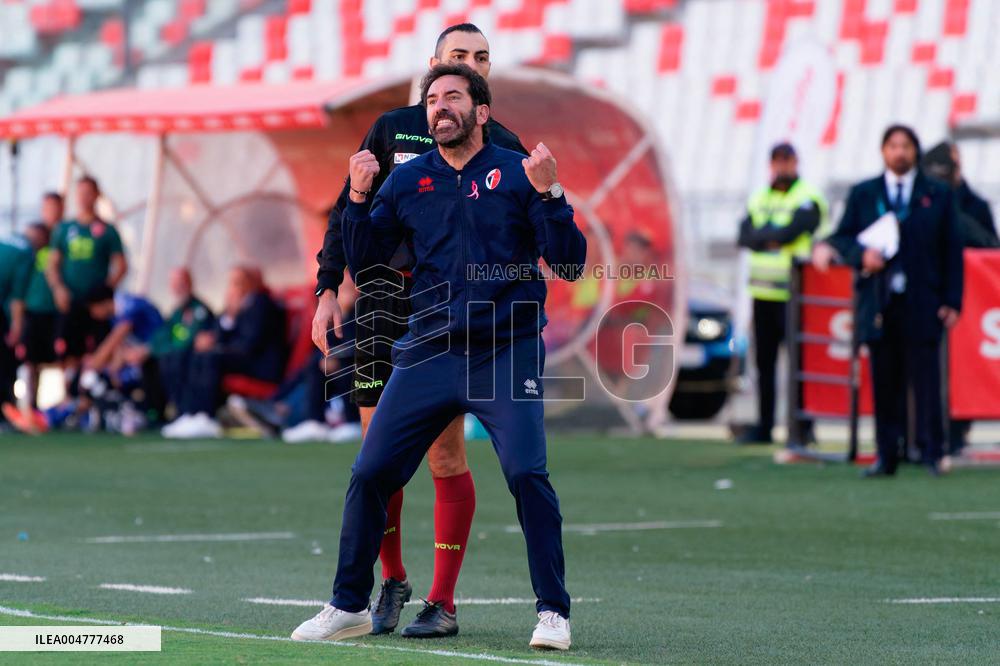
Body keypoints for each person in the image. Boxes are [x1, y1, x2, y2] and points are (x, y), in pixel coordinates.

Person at [291, 64, 585, 650]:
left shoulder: (517, 172)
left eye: (453, 97)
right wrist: (355, 195)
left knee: (527, 473)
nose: (439, 107)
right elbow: (369, 258)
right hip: (427, 349)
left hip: (505, 349)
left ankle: (553, 612)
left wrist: (551, 191)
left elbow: (571, 262)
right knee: (370, 473)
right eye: (431, 99)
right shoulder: (408, 180)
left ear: (481, 112)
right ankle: (348, 604)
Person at [311, 23, 529, 638]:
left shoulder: (502, 143)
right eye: (459, 56)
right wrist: (327, 289)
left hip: (446, 315)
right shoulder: (390, 129)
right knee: (376, 453)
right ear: (433, 65)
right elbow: (345, 206)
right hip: (380, 305)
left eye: (482, 57)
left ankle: (442, 600)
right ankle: (391, 580)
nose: (471, 64)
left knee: (444, 454)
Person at [826, 125, 963, 477]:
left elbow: (951, 250)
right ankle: (887, 454)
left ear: (915, 151)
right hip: (879, 301)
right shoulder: (864, 193)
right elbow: (842, 237)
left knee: (927, 380)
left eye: (905, 146)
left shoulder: (937, 194)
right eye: (893, 146)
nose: (899, 152)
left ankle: (933, 452)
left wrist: (952, 300)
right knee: (884, 381)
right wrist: (861, 255)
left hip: (923, 300)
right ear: (883, 151)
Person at [737, 143, 828, 444]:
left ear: (796, 162)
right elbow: (745, 237)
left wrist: (766, 238)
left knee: (800, 364)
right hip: (763, 295)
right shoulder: (759, 197)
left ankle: (803, 426)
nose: (782, 167)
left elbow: (792, 232)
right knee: (765, 365)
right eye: (777, 161)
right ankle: (765, 425)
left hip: (796, 294)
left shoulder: (808, 197)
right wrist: (772, 238)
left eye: (787, 161)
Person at [161, 266, 285, 439]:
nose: (234, 287)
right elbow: (221, 334)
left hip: (259, 364)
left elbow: (250, 344)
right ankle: (190, 413)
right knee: (199, 355)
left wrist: (224, 335)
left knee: (212, 358)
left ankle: (206, 416)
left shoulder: (261, 303)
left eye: (238, 282)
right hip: (241, 356)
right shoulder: (239, 305)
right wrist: (226, 321)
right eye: (233, 283)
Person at [46, 176, 127, 392]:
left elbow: (121, 265)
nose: (83, 198)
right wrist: (58, 288)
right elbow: (52, 264)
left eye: (88, 193)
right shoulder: (64, 229)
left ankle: (96, 395)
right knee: (68, 349)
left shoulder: (107, 230)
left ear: (97, 195)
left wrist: (106, 291)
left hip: (95, 303)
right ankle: (69, 397)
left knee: (100, 346)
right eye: (80, 193)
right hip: (71, 300)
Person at [150, 267, 215, 419]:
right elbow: (161, 336)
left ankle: (186, 412)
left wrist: (169, 349)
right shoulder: (176, 311)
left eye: (181, 284)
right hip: (174, 354)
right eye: (174, 284)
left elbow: (192, 339)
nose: (177, 288)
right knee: (153, 361)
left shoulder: (199, 309)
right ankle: (155, 413)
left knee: (175, 359)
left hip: (190, 357)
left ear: (189, 284)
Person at [0, 232, 33, 431]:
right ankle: (4, 414)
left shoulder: (6, 240)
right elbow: (18, 296)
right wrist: (17, 327)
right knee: (4, 364)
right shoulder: (25, 252)